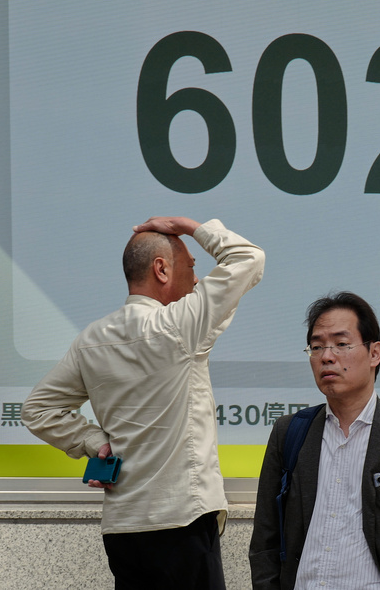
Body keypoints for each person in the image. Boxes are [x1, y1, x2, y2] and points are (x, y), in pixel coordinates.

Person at [22, 216, 265, 590]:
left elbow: (36, 410)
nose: (197, 279)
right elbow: (247, 258)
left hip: (123, 529)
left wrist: (94, 443)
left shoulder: (91, 339)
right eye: (191, 267)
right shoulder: (178, 326)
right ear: (161, 269)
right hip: (182, 520)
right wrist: (187, 225)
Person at [249, 292, 380, 590]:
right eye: (316, 346)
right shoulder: (289, 434)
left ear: (374, 353)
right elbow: (265, 540)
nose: (326, 356)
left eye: (341, 344)